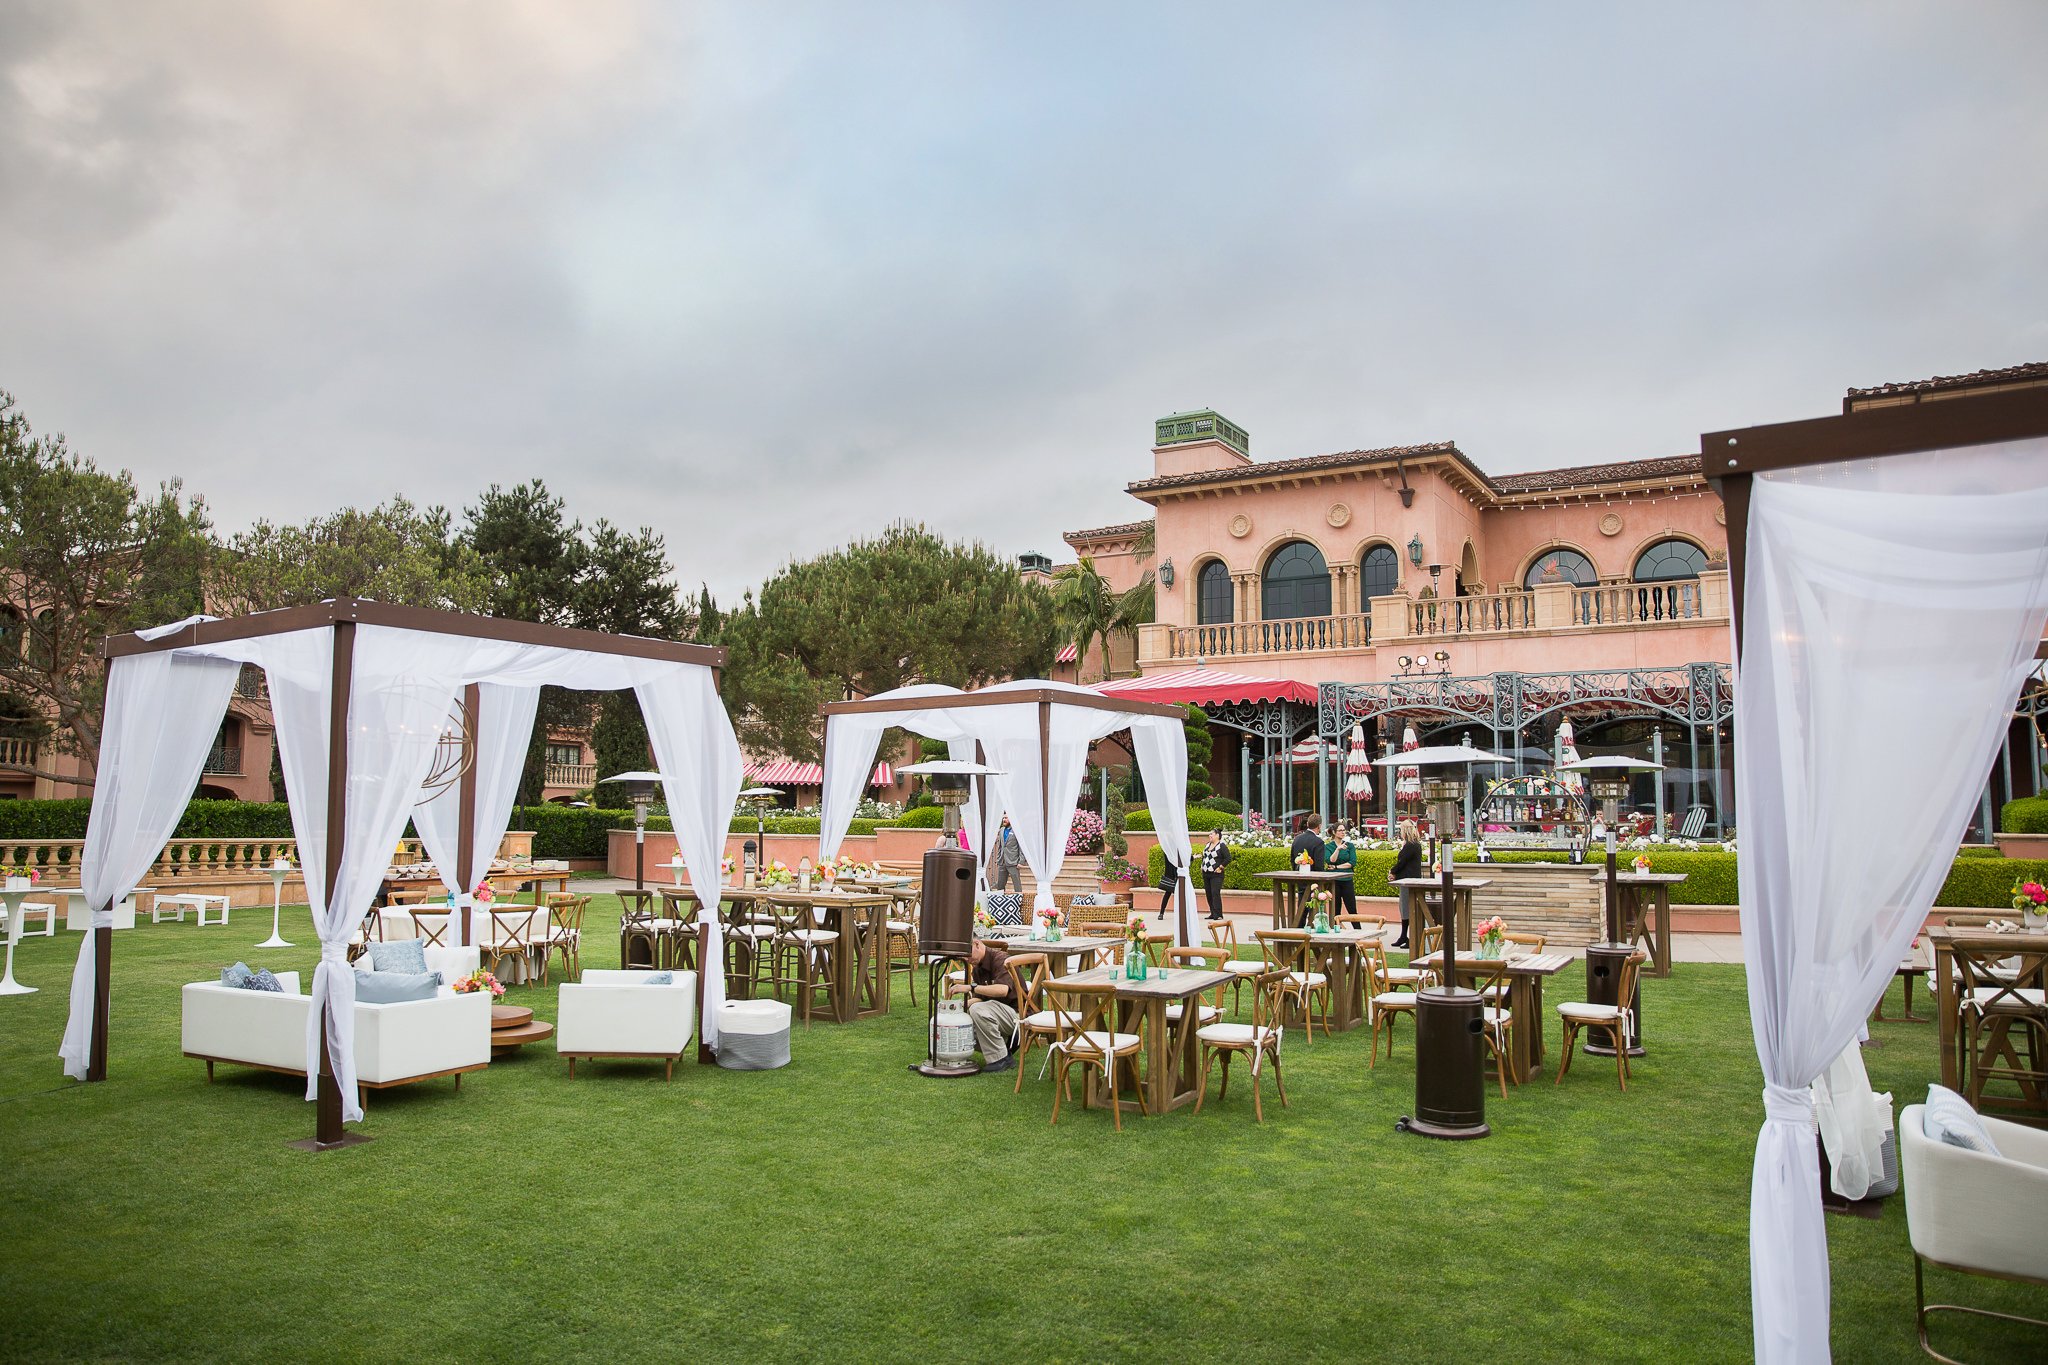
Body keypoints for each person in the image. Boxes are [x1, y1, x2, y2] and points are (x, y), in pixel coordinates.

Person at [954, 937, 1018, 1072]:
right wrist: (957, 1007)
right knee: (959, 1021)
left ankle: (1000, 1060)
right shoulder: (977, 969)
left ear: (977, 944)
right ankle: (1005, 1048)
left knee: (977, 1010)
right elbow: (980, 999)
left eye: (967, 955)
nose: (967, 960)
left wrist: (971, 987)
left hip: (1018, 1016)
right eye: (963, 957)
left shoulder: (1001, 959)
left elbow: (1002, 990)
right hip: (999, 1015)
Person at [1389, 819, 1424, 948]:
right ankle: (1404, 935)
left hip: (1408, 881)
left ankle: (1408, 936)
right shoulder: (1414, 844)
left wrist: (1393, 871)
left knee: (1407, 909)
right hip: (1407, 879)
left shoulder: (1411, 845)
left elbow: (1402, 862)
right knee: (1405, 908)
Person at [1199, 828, 1231, 921]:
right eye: (1210, 834)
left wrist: (1220, 867)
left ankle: (1218, 914)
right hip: (1206, 873)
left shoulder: (1221, 846)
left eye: (1212, 834)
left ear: (1217, 835)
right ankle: (1213, 913)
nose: (1210, 835)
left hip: (1216, 874)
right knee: (1208, 893)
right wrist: (1202, 865)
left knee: (1215, 893)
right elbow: (1205, 857)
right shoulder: (1207, 845)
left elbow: (1228, 858)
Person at [1329, 823, 1358, 918]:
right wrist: (1337, 849)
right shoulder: (1328, 847)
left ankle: (1358, 930)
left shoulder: (1349, 846)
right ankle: (1336, 929)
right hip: (1334, 881)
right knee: (1335, 909)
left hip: (1347, 879)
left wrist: (1337, 867)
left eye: (1344, 830)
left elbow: (1352, 862)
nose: (1343, 832)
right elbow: (1330, 860)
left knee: (1352, 908)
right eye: (1340, 830)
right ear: (1334, 832)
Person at [989, 814, 1024, 893]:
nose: (1004, 820)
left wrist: (1021, 861)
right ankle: (1000, 901)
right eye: (1003, 818)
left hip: (1013, 862)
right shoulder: (1001, 830)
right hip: (1002, 861)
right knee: (1000, 885)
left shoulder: (1017, 830)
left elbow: (1021, 847)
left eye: (1006, 818)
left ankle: (1019, 901)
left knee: (1017, 884)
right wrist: (998, 858)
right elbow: (1000, 846)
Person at [1152, 852, 1181, 921]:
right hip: (1176, 876)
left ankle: (1161, 913)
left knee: (1167, 895)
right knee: (1180, 897)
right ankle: (1180, 914)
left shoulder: (1167, 850)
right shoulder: (1175, 851)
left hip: (1170, 876)